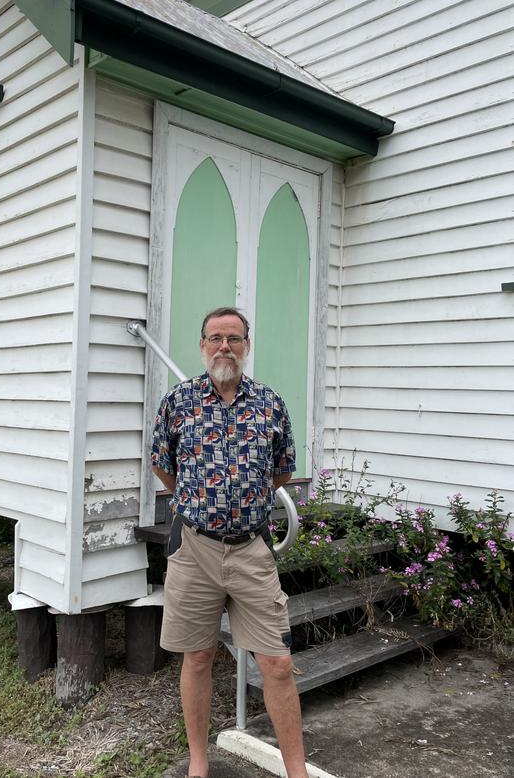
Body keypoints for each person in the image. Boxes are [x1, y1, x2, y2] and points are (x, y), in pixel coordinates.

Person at [151, 307, 310, 778]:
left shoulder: (270, 403)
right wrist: (196, 497)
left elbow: (282, 470)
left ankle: (296, 772)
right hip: (195, 547)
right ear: (202, 345)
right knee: (197, 655)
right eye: (216, 338)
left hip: (251, 549)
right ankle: (199, 764)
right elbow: (163, 464)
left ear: (246, 346)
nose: (225, 346)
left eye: (234, 339)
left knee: (277, 664)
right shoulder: (178, 402)